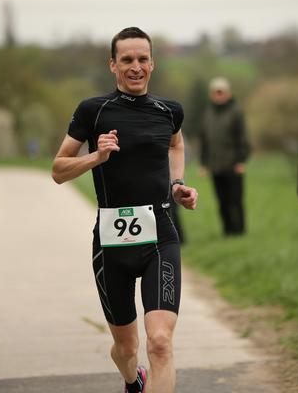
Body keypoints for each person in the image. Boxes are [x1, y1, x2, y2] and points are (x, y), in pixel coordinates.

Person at [52, 27, 197, 393]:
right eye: (127, 59)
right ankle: (133, 381)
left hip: (160, 237)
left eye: (142, 59)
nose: (136, 67)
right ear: (113, 65)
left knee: (160, 342)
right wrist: (96, 157)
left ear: (153, 64)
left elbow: (176, 145)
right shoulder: (93, 111)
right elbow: (58, 170)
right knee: (126, 348)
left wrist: (177, 184)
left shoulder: (169, 111)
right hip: (111, 244)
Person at [199, 77, 250, 236]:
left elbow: (243, 138)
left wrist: (241, 161)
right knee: (221, 201)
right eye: (215, 92)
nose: (218, 95)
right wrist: (204, 163)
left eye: (221, 92)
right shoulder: (208, 113)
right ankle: (227, 231)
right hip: (215, 166)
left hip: (233, 165)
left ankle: (239, 231)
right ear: (211, 94)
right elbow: (204, 140)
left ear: (228, 93)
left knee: (235, 201)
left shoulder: (236, 112)